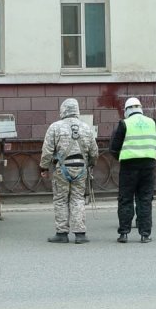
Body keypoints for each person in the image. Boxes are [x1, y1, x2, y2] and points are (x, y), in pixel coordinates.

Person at [39, 97, 98, 243]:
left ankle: (62, 234)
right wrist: (90, 164)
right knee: (78, 199)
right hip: (81, 169)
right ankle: (80, 234)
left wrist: (44, 167)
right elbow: (94, 152)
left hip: (62, 170)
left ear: (63, 110)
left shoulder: (55, 127)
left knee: (61, 200)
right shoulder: (86, 128)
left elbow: (47, 151)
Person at [109, 96, 156, 244]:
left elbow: (114, 148)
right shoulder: (153, 123)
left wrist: (122, 157)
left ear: (126, 110)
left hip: (128, 167)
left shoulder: (124, 124)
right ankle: (145, 234)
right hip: (148, 167)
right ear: (140, 108)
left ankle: (124, 233)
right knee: (145, 200)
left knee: (125, 199)